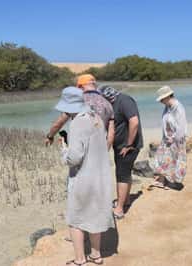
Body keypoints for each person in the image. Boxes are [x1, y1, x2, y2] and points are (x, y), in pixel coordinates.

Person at [56, 87, 114, 266]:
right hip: (100, 177)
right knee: (94, 215)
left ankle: (80, 260)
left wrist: (63, 149)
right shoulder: (96, 117)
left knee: (75, 219)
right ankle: (96, 256)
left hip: (83, 178)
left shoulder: (78, 122)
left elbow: (74, 158)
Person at [98, 85, 143, 219]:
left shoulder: (124, 101)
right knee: (124, 172)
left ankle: (119, 209)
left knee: (121, 174)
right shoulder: (111, 104)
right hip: (120, 146)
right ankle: (126, 200)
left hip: (128, 146)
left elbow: (134, 122)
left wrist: (128, 144)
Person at [45, 74, 115, 149]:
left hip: (80, 147)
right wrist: (105, 150)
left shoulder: (78, 101)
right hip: (99, 148)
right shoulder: (107, 104)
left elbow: (60, 122)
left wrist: (50, 136)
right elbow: (111, 132)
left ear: (80, 87)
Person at [151, 85, 187, 191]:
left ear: (168, 97)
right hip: (167, 139)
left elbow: (181, 126)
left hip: (176, 140)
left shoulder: (178, 107)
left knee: (176, 161)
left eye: (162, 99)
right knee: (161, 159)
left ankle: (174, 183)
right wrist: (166, 137)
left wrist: (175, 139)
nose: (161, 101)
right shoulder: (168, 107)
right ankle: (162, 181)